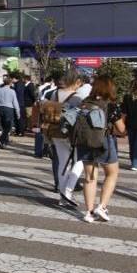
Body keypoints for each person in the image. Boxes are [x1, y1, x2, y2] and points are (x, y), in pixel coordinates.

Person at [77, 76, 126, 223]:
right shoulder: (110, 105)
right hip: (104, 142)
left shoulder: (84, 103)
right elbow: (121, 129)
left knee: (89, 176)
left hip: (85, 143)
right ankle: (102, 206)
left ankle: (89, 212)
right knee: (112, 173)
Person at [46, 71, 84, 206]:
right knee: (79, 161)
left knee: (62, 163)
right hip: (70, 133)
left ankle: (62, 196)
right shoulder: (77, 98)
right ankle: (68, 189)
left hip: (55, 131)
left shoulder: (54, 94)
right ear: (75, 82)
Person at [0, 75, 21, 149]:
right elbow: (15, 103)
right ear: (10, 83)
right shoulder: (12, 91)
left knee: (4, 126)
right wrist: (18, 113)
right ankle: (2, 140)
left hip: (1, 109)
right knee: (8, 127)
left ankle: (4, 142)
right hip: (9, 110)